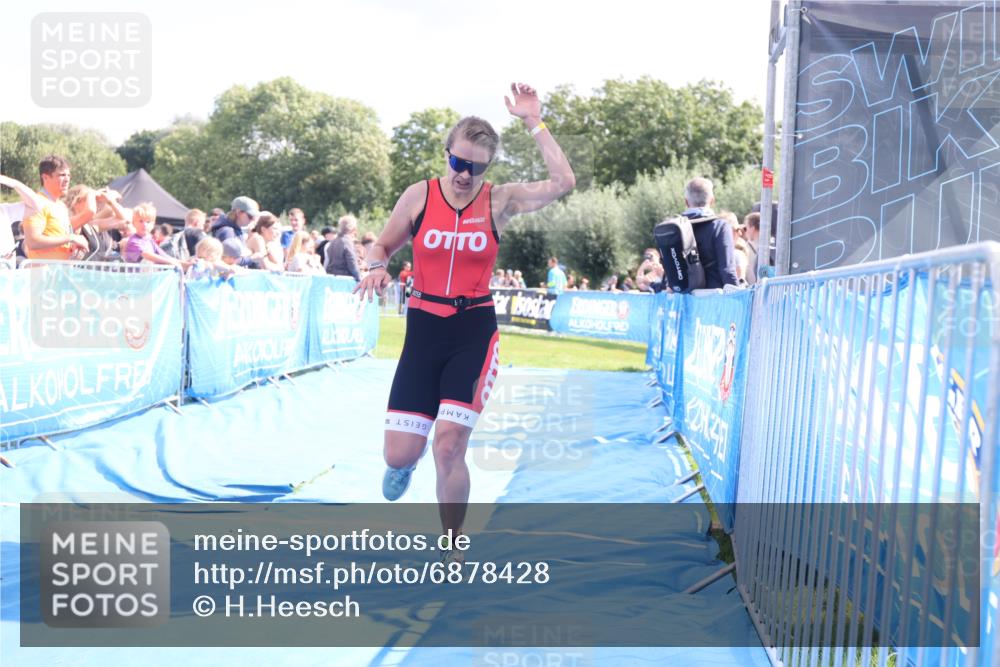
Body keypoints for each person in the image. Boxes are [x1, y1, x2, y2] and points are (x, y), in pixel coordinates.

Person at [353, 83, 575, 561]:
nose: (463, 175)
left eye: (475, 168)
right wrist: (375, 266)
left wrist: (535, 123)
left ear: (487, 168)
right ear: (446, 155)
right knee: (400, 455)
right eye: (458, 163)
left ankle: (453, 545)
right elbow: (383, 245)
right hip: (423, 333)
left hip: (472, 332)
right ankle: (403, 466)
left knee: (450, 445)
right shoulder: (419, 196)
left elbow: (562, 182)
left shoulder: (500, 200)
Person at [9, 157, 92, 260]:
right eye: (62, 175)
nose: (67, 179)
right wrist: (71, 238)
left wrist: (72, 247)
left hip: (61, 272)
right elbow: (32, 242)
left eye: (68, 175)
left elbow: (59, 239)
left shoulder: (61, 206)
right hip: (42, 273)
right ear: (45, 177)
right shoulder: (36, 203)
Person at [682, 177, 738, 289]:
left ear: (686, 202)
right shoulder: (720, 226)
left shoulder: (676, 227)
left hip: (681, 298)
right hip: (713, 297)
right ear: (712, 201)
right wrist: (738, 297)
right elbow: (727, 269)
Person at [123, 203, 189, 269]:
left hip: (147, 277)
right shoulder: (133, 241)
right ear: (134, 223)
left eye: (148, 222)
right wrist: (171, 262)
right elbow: (147, 255)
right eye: (141, 221)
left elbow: (164, 256)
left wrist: (187, 264)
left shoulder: (150, 241)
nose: (144, 225)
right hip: (134, 278)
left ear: (153, 224)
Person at [325, 214, 361, 280]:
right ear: (354, 229)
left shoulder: (332, 242)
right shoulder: (347, 242)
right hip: (345, 280)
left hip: (331, 278)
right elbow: (352, 264)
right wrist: (359, 279)